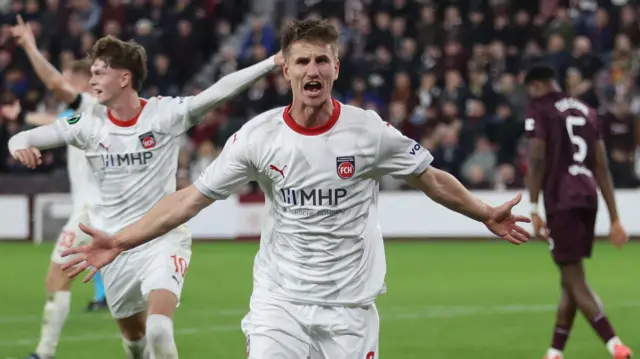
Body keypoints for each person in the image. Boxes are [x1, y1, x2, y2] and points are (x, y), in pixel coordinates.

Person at [59, 19, 531, 359]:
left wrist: (482, 212)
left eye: (321, 60)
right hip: (279, 302)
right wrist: (120, 241)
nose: (312, 70)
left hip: (350, 308)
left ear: (336, 68)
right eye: (302, 60)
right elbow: (190, 198)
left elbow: (431, 179)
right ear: (285, 70)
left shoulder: (369, 132)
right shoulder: (258, 137)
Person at [8, 33, 283, 359]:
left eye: (99, 73)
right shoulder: (86, 124)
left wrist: (270, 63)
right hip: (111, 246)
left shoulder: (163, 114)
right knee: (135, 340)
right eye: (92, 73)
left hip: (161, 237)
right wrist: (19, 147)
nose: (92, 80)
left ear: (124, 78)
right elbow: (25, 138)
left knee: (158, 329)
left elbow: (218, 92)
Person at [8, 16, 106, 359]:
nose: (63, 83)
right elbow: (55, 124)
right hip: (113, 210)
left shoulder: (91, 110)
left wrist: (30, 46)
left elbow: (55, 110)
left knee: (56, 278)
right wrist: (24, 125)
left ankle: (44, 352)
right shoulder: (94, 115)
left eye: (70, 79)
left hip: (92, 211)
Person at [523, 64, 632, 359]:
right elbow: (601, 165)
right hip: (588, 197)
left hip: (562, 199)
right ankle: (555, 352)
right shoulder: (586, 110)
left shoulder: (540, 108)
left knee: (574, 278)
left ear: (535, 86)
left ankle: (614, 345)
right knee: (569, 278)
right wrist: (615, 218)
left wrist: (533, 207)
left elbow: (536, 156)